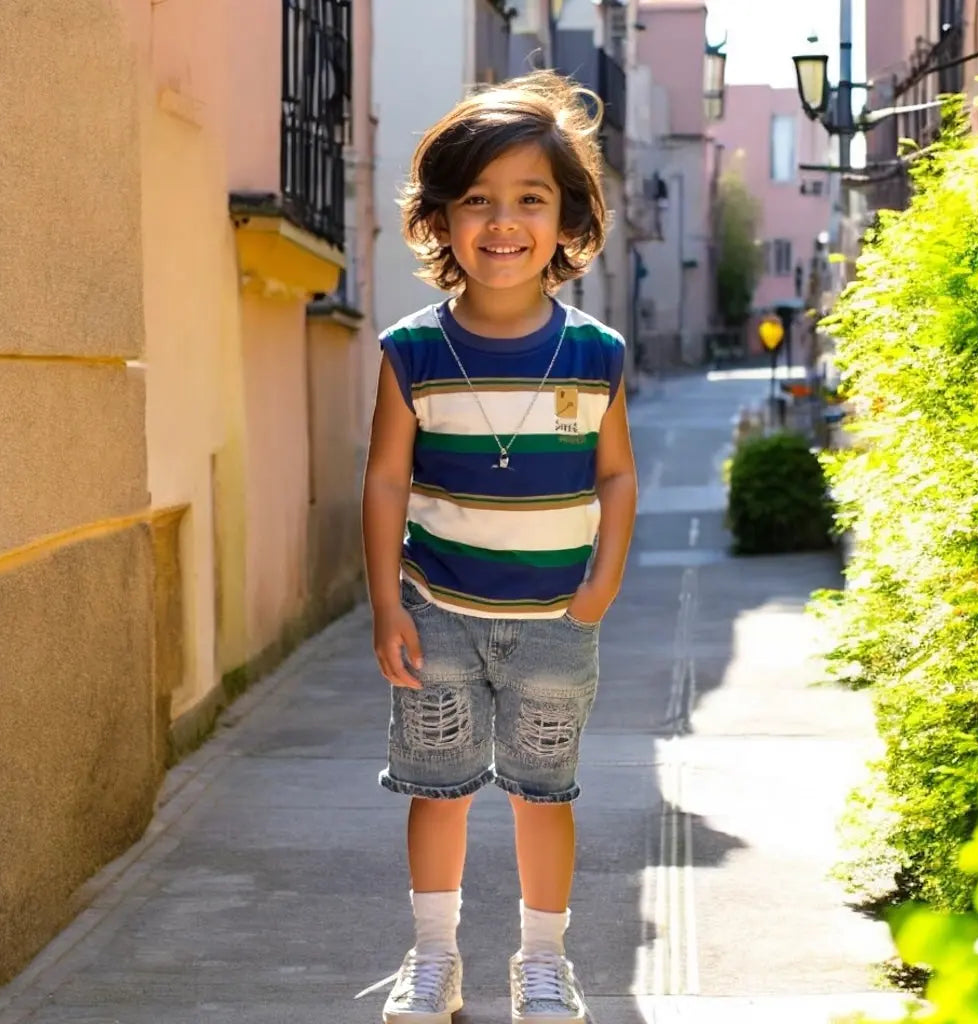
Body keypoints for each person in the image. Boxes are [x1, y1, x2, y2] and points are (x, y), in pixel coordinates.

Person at [361, 69, 637, 1024]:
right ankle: (433, 959)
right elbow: (387, 481)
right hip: (436, 612)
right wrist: (387, 604)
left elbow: (616, 474)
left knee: (541, 793)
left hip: (558, 620)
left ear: (567, 221)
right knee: (437, 790)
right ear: (440, 219)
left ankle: (544, 963)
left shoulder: (596, 352)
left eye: (530, 198)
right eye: (476, 198)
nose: (502, 220)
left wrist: (600, 586)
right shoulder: (412, 350)